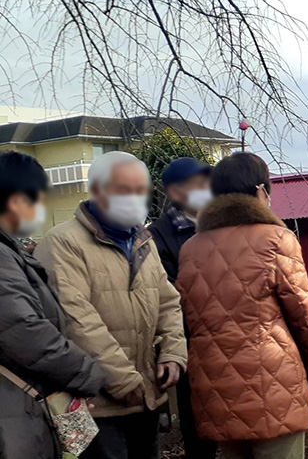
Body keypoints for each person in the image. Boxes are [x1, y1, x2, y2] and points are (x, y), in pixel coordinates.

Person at [174, 152, 308, 459]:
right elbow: (303, 315)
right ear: (261, 190)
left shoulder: (191, 249)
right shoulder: (276, 239)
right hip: (274, 386)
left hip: (214, 389)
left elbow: (187, 319)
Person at [35, 151, 187, 459]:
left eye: (139, 190)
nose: (133, 198)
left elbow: (168, 303)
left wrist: (173, 352)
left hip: (144, 398)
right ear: (96, 191)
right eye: (123, 190)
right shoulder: (63, 243)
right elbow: (76, 320)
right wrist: (124, 380)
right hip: (97, 405)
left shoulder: (143, 242)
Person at [0, 152, 106, 459]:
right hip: (13, 419)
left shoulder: (10, 251)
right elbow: (24, 330)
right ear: (17, 199)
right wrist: (88, 375)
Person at [147, 157, 216, 459]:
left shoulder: (223, 224)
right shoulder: (158, 235)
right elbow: (170, 291)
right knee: (199, 427)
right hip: (192, 344)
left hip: (233, 340)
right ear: (174, 192)